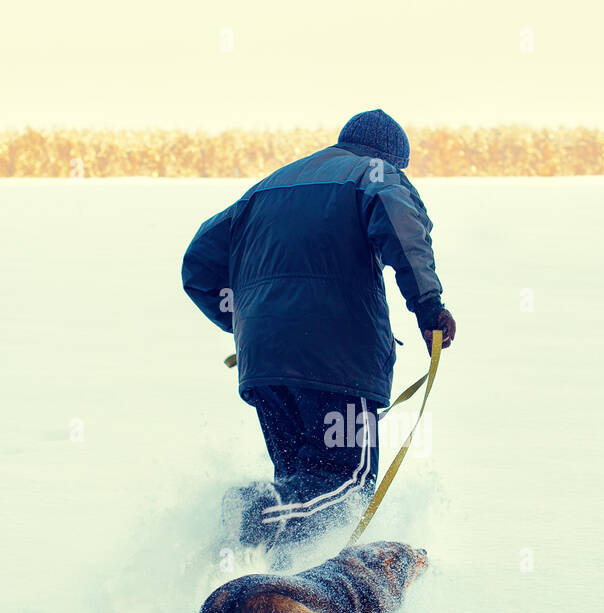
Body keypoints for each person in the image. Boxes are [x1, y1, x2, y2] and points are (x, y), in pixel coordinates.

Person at [182, 108, 457, 549]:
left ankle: (277, 570)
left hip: (265, 364)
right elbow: (402, 228)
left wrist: (247, 321)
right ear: (391, 155)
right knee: (347, 483)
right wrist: (429, 307)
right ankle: (254, 516)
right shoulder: (376, 173)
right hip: (337, 360)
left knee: (298, 481)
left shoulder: (267, 187)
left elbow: (198, 264)